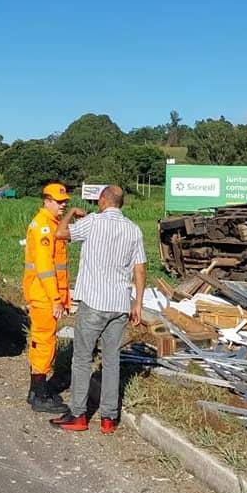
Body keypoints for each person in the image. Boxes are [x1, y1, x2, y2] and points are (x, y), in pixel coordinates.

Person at [49, 185, 147, 434]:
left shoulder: (93, 222)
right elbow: (140, 268)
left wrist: (71, 213)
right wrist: (138, 303)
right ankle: (108, 419)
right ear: (121, 203)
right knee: (112, 361)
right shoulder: (133, 229)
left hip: (94, 302)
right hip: (119, 304)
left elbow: (60, 234)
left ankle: (78, 415)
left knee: (82, 359)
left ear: (103, 200)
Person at [22, 182, 75, 413]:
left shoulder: (52, 224)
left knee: (42, 341)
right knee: (44, 342)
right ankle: (39, 394)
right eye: (58, 201)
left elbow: (59, 267)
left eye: (65, 201)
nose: (63, 205)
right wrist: (55, 298)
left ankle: (36, 390)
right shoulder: (44, 227)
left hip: (48, 295)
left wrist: (65, 297)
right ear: (46, 201)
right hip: (44, 296)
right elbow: (45, 268)